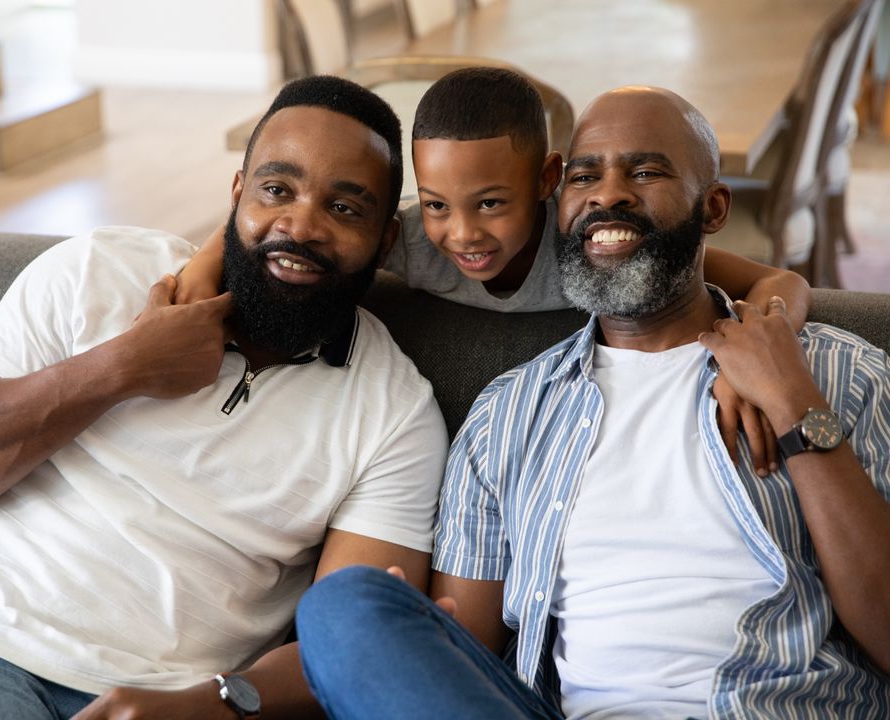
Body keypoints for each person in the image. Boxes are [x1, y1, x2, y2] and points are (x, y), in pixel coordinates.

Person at [0, 75, 450, 720]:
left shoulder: (395, 413)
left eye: (346, 208)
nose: (300, 225)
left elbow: (355, 644)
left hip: (176, 703)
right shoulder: (98, 272)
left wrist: (214, 703)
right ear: (237, 194)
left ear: (386, 240)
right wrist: (121, 368)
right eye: (277, 189)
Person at [294, 86, 890, 719]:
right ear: (558, 202)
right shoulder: (506, 417)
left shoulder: (836, 371)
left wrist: (795, 406)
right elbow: (469, 642)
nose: (609, 194)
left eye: (646, 171)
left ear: (712, 207)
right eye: (586, 176)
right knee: (346, 609)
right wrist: (419, 643)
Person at [178, 67, 811, 479]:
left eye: (490, 203)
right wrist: (205, 270)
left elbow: (784, 281)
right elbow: (283, 226)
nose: (462, 235)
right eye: (436, 204)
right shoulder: (410, 240)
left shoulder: (589, 247)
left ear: (546, 182)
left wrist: (755, 357)